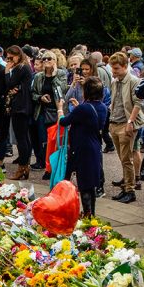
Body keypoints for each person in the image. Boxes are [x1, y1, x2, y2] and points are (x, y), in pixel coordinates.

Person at [57, 80, 108, 217]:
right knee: (90, 183)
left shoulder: (83, 108)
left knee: (84, 183)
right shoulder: (102, 107)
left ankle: (87, 214)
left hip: (81, 147)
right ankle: (91, 214)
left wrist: (60, 108)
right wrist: (80, 106)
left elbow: (63, 122)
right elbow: (89, 119)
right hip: (94, 146)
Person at [107, 52, 144, 203]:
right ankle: (126, 187)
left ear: (125, 66)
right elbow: (114, 101)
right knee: (123, 158)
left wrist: (130, 122)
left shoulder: (134, 81)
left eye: (116, 68)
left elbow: (139, 102)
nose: (113, 71)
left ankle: (130, 190)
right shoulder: (115, 81)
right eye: (112, 68)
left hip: (126, 124)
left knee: (126, 158)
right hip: (115, 122)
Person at [4, 45, 35, 179]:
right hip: (24, 105)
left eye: (12, 57)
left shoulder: (21, 67)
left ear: (18, 55)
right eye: (8, 58)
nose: (9, 60)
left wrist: (6, 71)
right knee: (25, 138)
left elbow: (9, 83)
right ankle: (25, 166)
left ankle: (22, 167)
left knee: (22, 138)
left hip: (21, 107)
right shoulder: (24, 67)